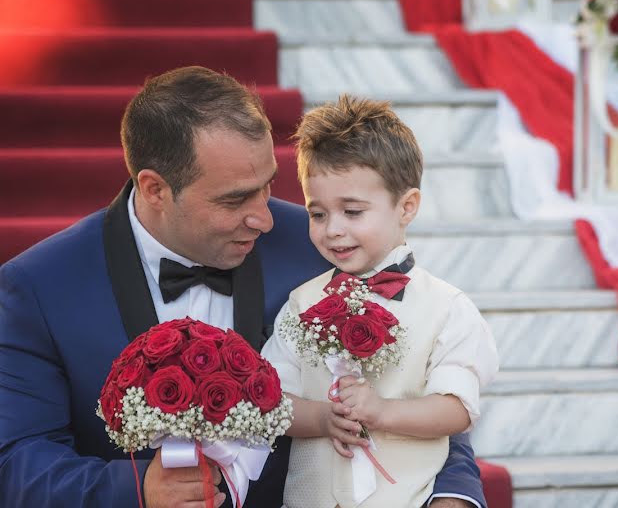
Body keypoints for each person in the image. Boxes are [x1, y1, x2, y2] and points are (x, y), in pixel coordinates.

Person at [0, 66, 487, 508]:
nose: (265, 218)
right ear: (155, 190)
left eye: (268, 186)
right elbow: (18, 461)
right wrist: (138, 490)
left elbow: (415, 371)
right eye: (235, 199)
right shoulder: (39, 287)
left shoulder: (322, 246)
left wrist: (453, 496)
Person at [261, 96, 499, 507]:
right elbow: (270, 399)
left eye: (352, 212)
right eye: (317, 214)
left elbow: (457, 408)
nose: (333, 229)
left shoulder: (447, 308)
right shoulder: (301, 304)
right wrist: (321, 417)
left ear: (406, 207)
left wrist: (383, 412)